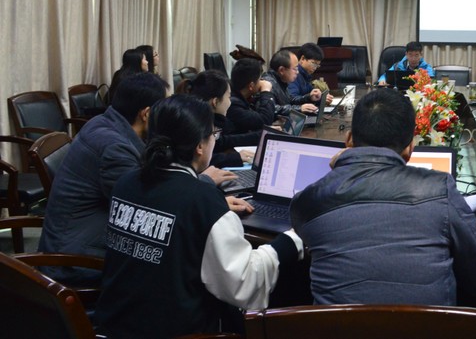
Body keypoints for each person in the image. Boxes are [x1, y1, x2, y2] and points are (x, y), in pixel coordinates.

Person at [94, 95, 304, 339]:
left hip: (114, 325)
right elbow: (244, 280)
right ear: (200, 146)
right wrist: (292, 239)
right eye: (214, 134)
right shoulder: (203, 200)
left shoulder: (126, 182)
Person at [290, 88, 476, 305]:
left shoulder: (308, 201)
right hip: (428, 324)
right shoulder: (440, 189)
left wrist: (339, 170)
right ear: (410, 148)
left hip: (335, 324)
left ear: (348, 140)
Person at [39, 73, 240, 285]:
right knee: (190, 258)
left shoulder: (105, 123)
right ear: (146, 114)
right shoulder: (114, 148)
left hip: (83, 236)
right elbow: (150, 203)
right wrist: (204, 192)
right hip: (76, 259)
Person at [178, 69, 260, 168]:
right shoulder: (192, 124)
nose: (230, 102)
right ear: (215, 102)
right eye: (229, 97)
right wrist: (232, 158)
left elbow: (221, 141)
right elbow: (194, 160)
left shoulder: (203, 118)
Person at [263, 49, 322, 116]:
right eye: (295, 69)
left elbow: (290, 100)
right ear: (282, 70)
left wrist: (309, 97)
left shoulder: (281, 80)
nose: (297, 72)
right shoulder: (268, 84)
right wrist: (299, 109)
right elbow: (272, 109)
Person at [227, 57, 277, 132]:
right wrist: (266, 92)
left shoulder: (242, 95)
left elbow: (257, 116)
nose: (262, 81)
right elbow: (264, 120)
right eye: (260, 79)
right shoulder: (233, 104)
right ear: (251, 86)